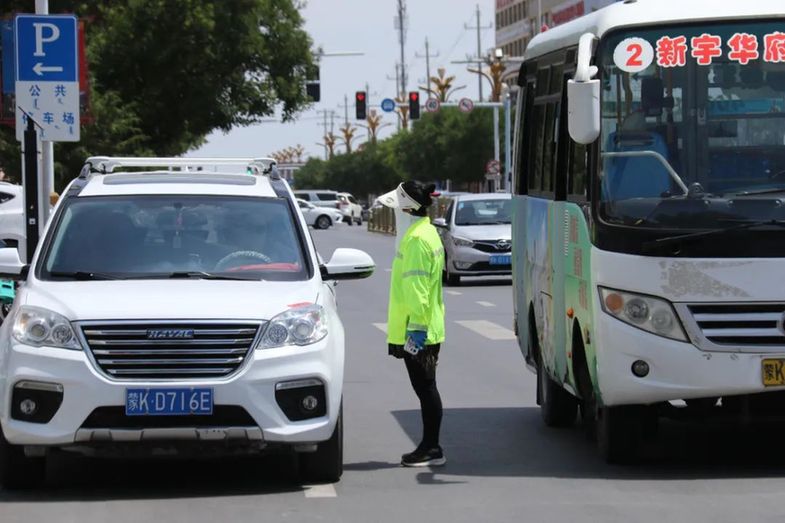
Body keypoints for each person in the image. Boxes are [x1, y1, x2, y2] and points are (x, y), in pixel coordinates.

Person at [379, 180, 446, 467]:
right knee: (426, 387)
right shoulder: (425, 232)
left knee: (426, 388)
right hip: (424, 326)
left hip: (420, 330)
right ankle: (431, 446)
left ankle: (431, 447)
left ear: (407, 207)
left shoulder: (417, 240)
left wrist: (414, 334)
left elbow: (417, 290)